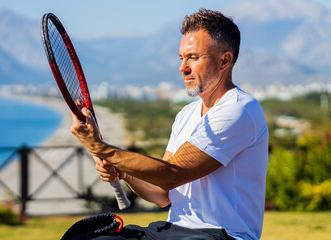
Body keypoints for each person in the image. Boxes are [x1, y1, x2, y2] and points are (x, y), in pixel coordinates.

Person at [71, 8, 269, 240]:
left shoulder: (239, 109)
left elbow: (171, 174)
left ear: (224, 60)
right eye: (181, 58)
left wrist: (100, 148)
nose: (182, 67)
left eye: (193, 57)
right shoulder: (186, 114)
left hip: (223, 236)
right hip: (173, 231)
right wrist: (124, 173)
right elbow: (162, 193)